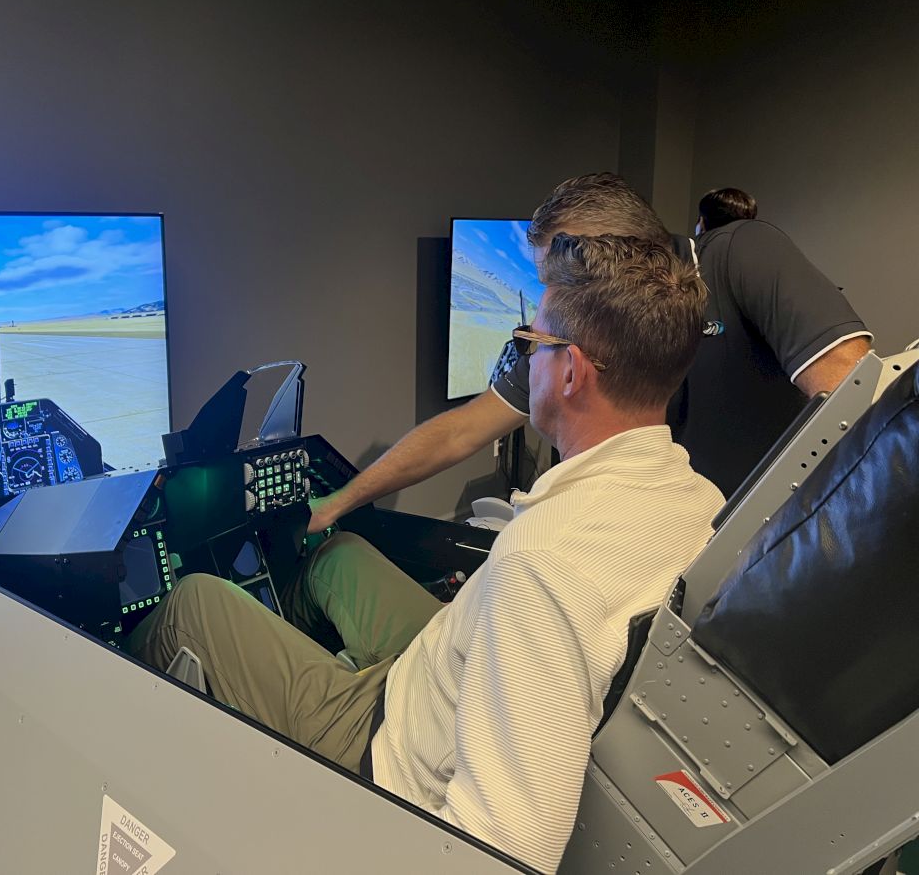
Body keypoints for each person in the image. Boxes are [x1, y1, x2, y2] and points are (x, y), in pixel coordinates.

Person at [128, 234, 724, 872]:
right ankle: (295, 665)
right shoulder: (700, 501)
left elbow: (503, 848)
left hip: (386, 747)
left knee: (193, 602)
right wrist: (329, 510)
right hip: (445, 670)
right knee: (338, 555)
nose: (527, 363)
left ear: (572, 370)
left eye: (532, 345)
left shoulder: (541, 566)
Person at [309, 175, 871, 525]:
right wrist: (336, 503)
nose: (550, 299)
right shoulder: (589, 327)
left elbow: (856, 402)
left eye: (560, 278)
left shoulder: (742, 255)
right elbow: (461, 430)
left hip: (749, 552)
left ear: (614, 256)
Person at [684, 187, 871, 495]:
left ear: (701, 222)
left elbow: (849, 384)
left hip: (758, 501)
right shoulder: (687, 271)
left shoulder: (748, 242)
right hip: (705, 499)